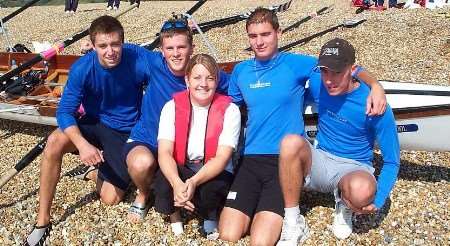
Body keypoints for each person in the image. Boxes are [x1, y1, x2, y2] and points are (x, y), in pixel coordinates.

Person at [218, 7, 386, 245]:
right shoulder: (241, 71)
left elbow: (345, 68)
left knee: (260, 242)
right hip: (250, 159)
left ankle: (295, 222)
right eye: (253, 36)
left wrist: (375, 86)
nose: (259, 41)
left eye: (265, 34)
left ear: (279, 33)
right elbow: (230, 109)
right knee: (228, 234)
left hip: (284, 160)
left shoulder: (296, 64)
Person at [24, 16, 151, 246]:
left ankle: (93, 171)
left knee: (110, 199)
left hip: (123, 130)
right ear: (93, 46)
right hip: (92, 122)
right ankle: (42, 221)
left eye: (115, 44)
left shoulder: (139, 58)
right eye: (103, 46)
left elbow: (172, 71)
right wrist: (82, 144)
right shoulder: (82, 68)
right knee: (54, 141)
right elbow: (64, 112)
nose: (110, 51)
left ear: (123, 41)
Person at [277, 38, 400, 245]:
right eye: (325, 71)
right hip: (321, 158)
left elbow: (392, 161)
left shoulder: (375, 104)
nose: (329, 80)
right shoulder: (320, 84)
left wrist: (378, 201)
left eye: (336, 72)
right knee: (289, 142)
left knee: (362, 190)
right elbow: (294, 90)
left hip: (354, 167)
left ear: (351, 70)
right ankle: (292, 221)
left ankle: (345, 203)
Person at [123, 18, 229, 224]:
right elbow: (131, 50)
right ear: (162, 50)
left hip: (180, 147)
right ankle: (144, 193)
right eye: (170, 48)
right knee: (141, 163)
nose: (176, 53)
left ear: (192, 48)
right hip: (148, 139)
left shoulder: (202, 74)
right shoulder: (154, 63)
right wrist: (93, 45)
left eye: (182, 47)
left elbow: (233, 86)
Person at [153, 54, 240, 238]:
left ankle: (210, 214)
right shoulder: (171, 107)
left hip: (213, 168)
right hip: (184, 165)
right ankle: (174, 214)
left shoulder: (230, 110)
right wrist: (177, 184)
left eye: (210, 78)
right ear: (187, 80)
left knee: (211, 190)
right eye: (197, 77)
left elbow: (222, 157)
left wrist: (193, 182)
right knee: (163, 179)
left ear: (217, 81)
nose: (204, 84)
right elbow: (164, 152)